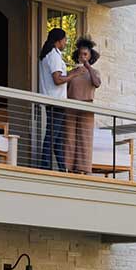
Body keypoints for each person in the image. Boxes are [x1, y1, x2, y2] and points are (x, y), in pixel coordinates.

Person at [38, 28, 84, 171]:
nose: (66, 42)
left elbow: (59, 76)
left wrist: (73, 72)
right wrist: (75, 74)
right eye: (65, 40)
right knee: (52, 136)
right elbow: (57, 80)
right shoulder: (54, 55)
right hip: (56, 101)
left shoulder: (50, 55)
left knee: (57, 139)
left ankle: (62, 168)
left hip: (54, 100)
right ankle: (45, 168)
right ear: (59, 40)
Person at [64, 36, 101, 174]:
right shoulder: (73, 71)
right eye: (80, 54)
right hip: (71, 106)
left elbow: (96, 83)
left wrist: (88, 67)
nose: (82, 57)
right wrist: (74, 73)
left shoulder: (94, 72)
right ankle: (68, 168)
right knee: (69, 137)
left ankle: (83, 169)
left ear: (90, 55)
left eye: (85, 54)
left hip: (87, 106)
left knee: (85, 138)